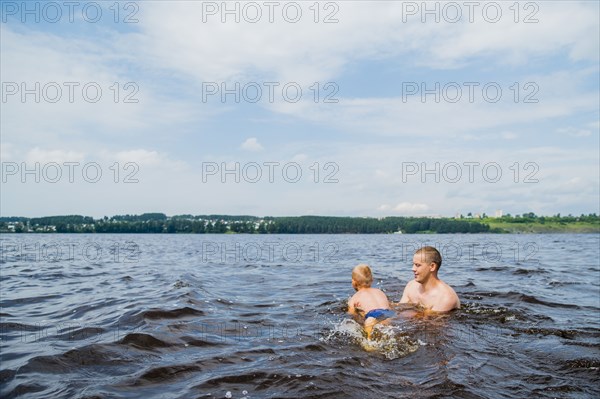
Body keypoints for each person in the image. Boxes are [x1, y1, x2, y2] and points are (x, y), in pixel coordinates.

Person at [399, 246, 460, 313]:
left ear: (432, 266)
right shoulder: (411, 286)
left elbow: (429, 320)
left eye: (418, 265)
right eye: (413, 264)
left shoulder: (446, 297)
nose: (413, 269)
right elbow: (399, 308)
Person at [348, 264, 395, 338]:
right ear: (372, 280)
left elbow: (351, 314)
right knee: (387, 334)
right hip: (388, 314)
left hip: (372, 317)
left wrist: (358, 314)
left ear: (354, 282)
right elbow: (389, 305)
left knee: (369, 341)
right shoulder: (380, 292)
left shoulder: (355, 297)